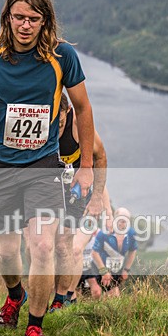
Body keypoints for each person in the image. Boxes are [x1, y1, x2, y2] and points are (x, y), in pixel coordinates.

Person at [0, 0, 98, 336]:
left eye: (33, 18)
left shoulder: (62, 56)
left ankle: (35, 328)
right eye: (18, 17)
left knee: (42, 245)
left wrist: (86, 167)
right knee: (5, 251)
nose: (25, 25)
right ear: (7, 17)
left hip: (43, 166)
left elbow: (83, 109)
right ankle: (15, 294)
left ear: (44, 20)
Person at [49, 93, 112, 311]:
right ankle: (61, 295)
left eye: (59, 123)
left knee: (69, 246)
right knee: (48, 247)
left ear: (67, 113)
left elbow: (100, 158)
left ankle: (65, 297)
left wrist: (99, 202)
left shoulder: (78, 124)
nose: (55, 129)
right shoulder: (41, 123)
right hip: (54, 190)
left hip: (81, 192)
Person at [89, 207, 138, 298]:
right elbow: (94, 253)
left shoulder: (131, 233)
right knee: (97, 294)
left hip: (115, 270)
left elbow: (133, 250)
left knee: (114, 298)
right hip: (98, 268)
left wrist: (126, 269)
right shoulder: (105, 233)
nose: (122, 223)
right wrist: (103, 271)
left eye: (125, 221)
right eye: (120, 220)